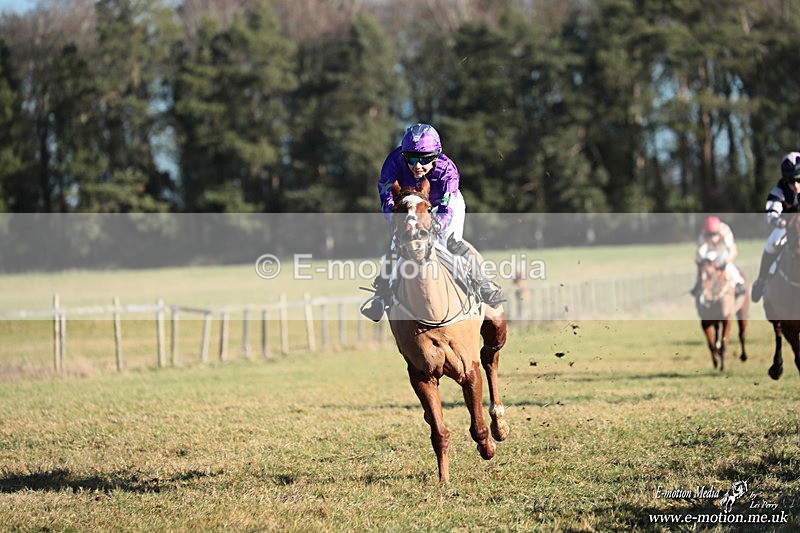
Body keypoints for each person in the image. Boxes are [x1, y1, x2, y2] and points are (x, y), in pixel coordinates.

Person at [360, 123, 504, 321]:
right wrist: (395, 218)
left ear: (436, 156)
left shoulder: (448, 170)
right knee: (397, 244)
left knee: (450, 241)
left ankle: (483, 284)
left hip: (441, 206)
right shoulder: (393, 161)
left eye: (424, 159)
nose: (417, 166)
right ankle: (381, 295)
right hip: (409, 205)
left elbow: (447, 207)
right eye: (411, 158)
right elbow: (386, 197)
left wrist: (437, 225)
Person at [751, 151, 800, 303]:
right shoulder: (778, 191)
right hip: (787, 227)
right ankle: (761, 280)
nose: (796, 186)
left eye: (799, 180)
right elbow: (772, 214)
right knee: (770, 245)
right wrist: (781, 222)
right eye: (791, 182)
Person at [690, 216, 745, 298]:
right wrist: (700, 261)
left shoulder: (725, 231)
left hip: (723, 250)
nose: (712, 238)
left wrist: (726, 261)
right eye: (709, 235)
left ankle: (739, 283)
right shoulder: (703, 234)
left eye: (714, 234)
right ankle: (698, 284)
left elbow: (733, 251)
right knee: (704, 266)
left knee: (729, 266)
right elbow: (700, 252)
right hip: (711, 251)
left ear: (719, 231)